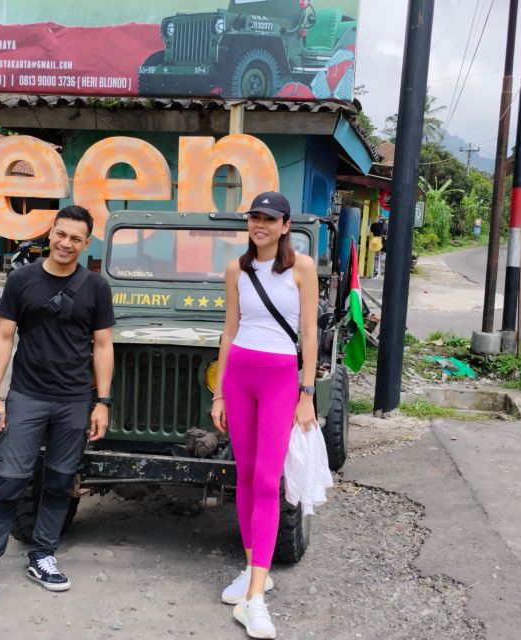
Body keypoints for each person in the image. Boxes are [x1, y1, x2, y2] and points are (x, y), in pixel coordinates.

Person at [0, 205, 116, 610]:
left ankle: (43, 555)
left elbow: (103, 345)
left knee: (60, 482)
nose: (66, 243)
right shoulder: (22, 280)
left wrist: (102, 402)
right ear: (51, 233)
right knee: (10, 482)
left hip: (74, 400)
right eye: (61, 234)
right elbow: (3, 338)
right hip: (27, 396)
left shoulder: (96, 287)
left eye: (76, 238)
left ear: (87, 243)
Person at [211, 191, 318, 639]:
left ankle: (255, 599)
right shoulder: (236, 269)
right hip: (239, 375)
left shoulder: (303, 268)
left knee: (268, 480)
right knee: (246, 474)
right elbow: (229, 329)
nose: (260, 225)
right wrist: (219, 393)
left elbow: (309, 333)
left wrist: (306, 393)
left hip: (279, 379)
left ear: (285, 226)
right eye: (255, 217)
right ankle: (255, 569)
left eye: (269, 219)